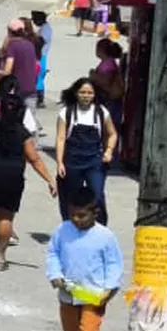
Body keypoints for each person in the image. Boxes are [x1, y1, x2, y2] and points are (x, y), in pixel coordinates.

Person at [0, 75, 57, 275]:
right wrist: (50, 180)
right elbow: (34, 159)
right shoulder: (22, 131)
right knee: (5, 218)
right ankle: (0, 257)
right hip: (13, 177)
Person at [45, 195, 123, 331]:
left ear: (95, 213)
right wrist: (55, 274)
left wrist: (110, 288)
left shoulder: (105, 237)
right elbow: (53, 254)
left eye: (82, 215)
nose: (77, 220)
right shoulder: (63, 230)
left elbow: (114, 264)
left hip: (93, 295)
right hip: (68, 293)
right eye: (73, 215)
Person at [55, 77, 117, 226]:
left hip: (94, 161)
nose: (86, 96)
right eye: (83, 92)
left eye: (90, 92)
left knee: (97, 194)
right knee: (71, 197)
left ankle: (100, 226)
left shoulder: (101, 112)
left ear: (94, 94)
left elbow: (112, 134)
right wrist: (59, 162)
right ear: (76, 93)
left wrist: (108, 151)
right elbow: (61, 138)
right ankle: (70, 225)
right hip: (72, 161)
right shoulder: (66, 113)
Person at [0, 18, 40, 121]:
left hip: (17, 89)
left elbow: (8, 68)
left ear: (9, 31)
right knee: (30, 121)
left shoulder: (13, 45)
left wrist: (1, 81)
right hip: (31, 88)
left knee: (13, 119)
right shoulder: (30, 44)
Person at [92, 38, 126, 131]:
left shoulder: (107, 63)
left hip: (108, 99)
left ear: (102, 50)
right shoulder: (108, 62)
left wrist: (94, 75)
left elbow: (106, 80)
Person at [32, 11, 54, 106]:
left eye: (34, 18)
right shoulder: (42, 28)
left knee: (39, 77)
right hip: (38, 56)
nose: (33, 21)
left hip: (41, 56)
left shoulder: (46, 29)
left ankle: (40, 99)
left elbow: (40, 42)